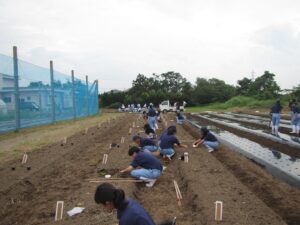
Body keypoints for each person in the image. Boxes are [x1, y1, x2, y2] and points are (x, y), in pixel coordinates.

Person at [94, 183, 175, 225]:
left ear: (108, 203)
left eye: (102, 205)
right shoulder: (128, 202)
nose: (103, 207)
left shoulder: (126, 218)